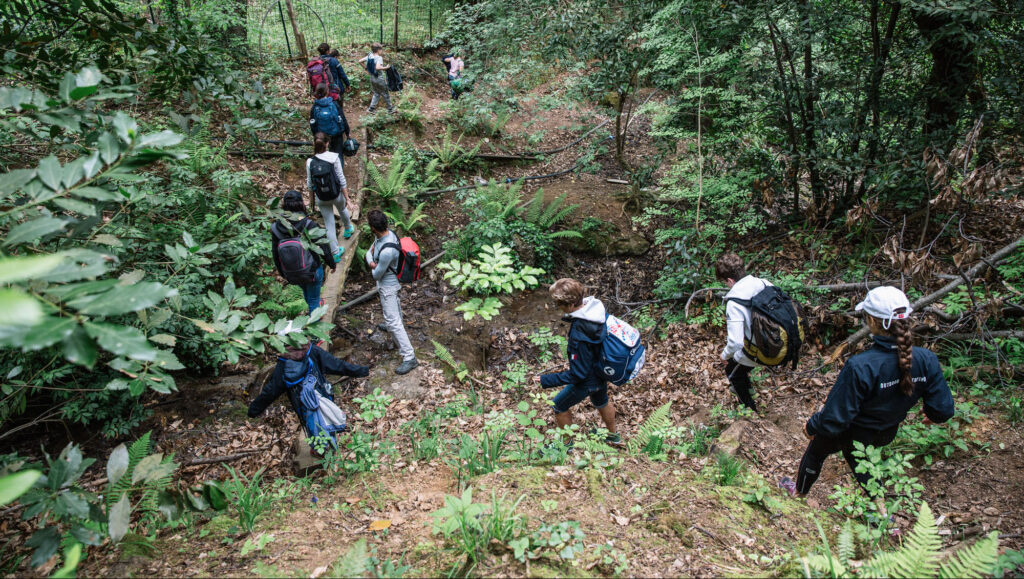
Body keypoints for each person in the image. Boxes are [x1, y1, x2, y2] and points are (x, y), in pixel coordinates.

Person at [779, 286, 955, 498]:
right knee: (863, 459)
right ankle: (884, 516)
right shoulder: (926, 359)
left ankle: (798, 493)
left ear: (871, 321)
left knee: (817, 451)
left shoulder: (861, 366)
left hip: (851, 432)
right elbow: (942, 410)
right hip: (885, 432)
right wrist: (932, 414)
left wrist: (811, 425)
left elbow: (835, 419)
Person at [532, 278, 620, 445]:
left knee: (558, 405)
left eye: (560, 305)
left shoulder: (579, 333)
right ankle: (613, 435)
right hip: (600, 370)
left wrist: (546, 380)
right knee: (601, 400)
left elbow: (578, 374)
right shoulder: (595, 311)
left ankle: (566, 445)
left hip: (588, 379)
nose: (559, 308)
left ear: (571, 305)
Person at [247, 342, 369, 449]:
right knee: (326, 418)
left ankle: (321, 450)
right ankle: (330, 447)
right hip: (322, 395)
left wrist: (253, 410)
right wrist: (362, 370)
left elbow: (271, 391)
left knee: (312, 425)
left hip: (303, 404)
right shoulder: (311, 350)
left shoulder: (284, 364)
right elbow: (337, 365)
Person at [716, 252, 773, 412]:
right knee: (738, 365)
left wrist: (724, 355)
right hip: (780, 341)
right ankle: (750, 392)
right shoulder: (764, 283)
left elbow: (735, 343)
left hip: (763, 349)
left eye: (725, 282)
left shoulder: (734, 302)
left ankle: (749, 409)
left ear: (730, 280)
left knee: (731, 371)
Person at [365, 210, 418, 375]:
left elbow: (375, 273)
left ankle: (410, 357)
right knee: (393, 314)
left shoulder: (387, 251)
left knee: (394, 320)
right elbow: (370, 252)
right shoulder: (386, 235)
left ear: (373, 228)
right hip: (387, 283)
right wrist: (371, 258)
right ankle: (390, 325)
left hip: (388, 285)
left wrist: (371, 261)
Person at [271, 190, 337, 315]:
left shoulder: (276, 227)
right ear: (301, 203)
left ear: (284, 205)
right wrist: (332, 264)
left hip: (291, 272)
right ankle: (315, 332)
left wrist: (282, 272)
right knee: (313, 300)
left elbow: (275, 252)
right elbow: (323, 246)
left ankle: (316, 309)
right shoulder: (308, 224)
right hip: (311, 269)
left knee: (309, 295)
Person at [306, 132, 354, 263]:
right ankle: (348, 228)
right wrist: (347, 199)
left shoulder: (310, 162)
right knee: (342, 209)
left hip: (321, 197)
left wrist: (312, 202)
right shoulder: (334, 157)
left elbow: (310, 185)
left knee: (329, 224)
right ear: (327, 143)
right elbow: (341, 179)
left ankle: (335, 253)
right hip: (336, 194)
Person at [309, 84, 347, 157]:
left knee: (322, 155)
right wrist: (345, 132)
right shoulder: (334, 104)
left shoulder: (315, 107)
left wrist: (316, 135)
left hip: (322, 136)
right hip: (336, 134)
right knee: (338, 154)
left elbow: (312, 123)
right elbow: (341, 118)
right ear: (327, 92)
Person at [358, 43, 394, 114]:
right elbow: (377, 67)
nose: (382, 51)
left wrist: (366, 68)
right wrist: (386, 67)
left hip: (372, 78)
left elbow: (360, 61)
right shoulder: (379, 58)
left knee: (376, 93)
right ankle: (390, 109)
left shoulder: (370, 55)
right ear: (378, 50)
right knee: (385, 93)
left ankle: (371, 108)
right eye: (381, 50)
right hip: (379, 78)